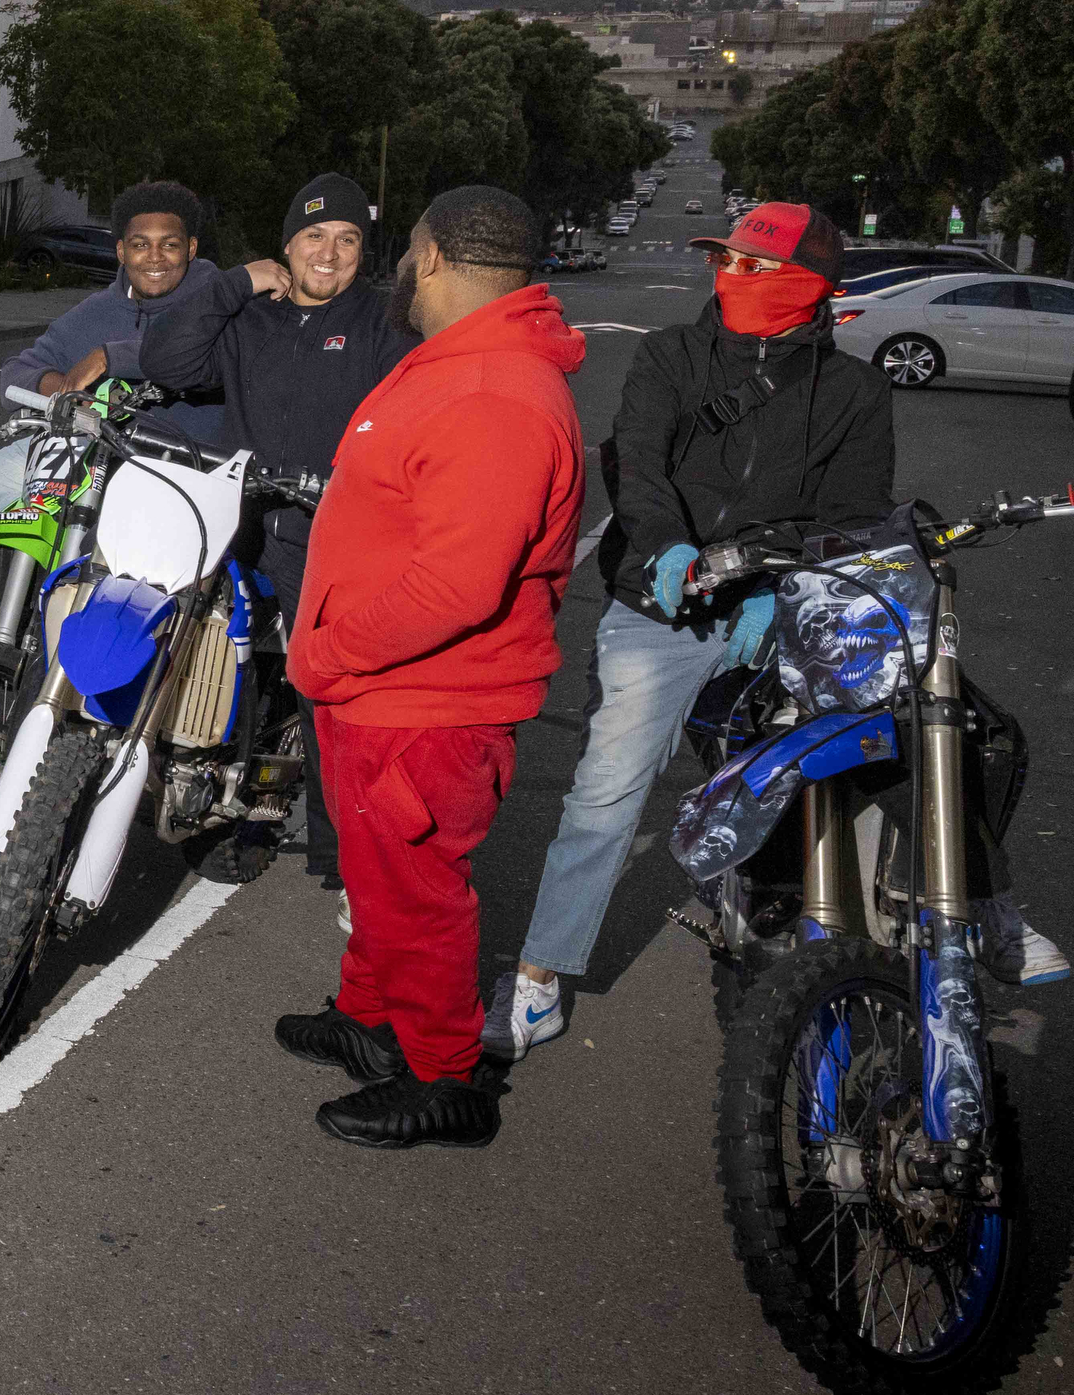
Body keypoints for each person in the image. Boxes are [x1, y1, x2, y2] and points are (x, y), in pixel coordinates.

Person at [488, 202, 1065, 1058]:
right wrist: (672, 549)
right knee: (606, 792)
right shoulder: (669, 355)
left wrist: (775, 578)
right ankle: (540, 978)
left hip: (793, 601)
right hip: (663, 602)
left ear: (810, 284)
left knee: (928, 726)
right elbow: (638, 464)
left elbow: (853, 510)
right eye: (725, 261)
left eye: (755, 266)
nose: (732, 278)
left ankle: (979, 901)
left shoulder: (857, 391)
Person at [276, 186, 586, 1151]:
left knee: (414, 892)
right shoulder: (465, 363)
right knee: (378, 880)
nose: (396, 268)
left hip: (421, 698)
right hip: (383, 691)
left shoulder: (493, 389)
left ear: (437, 258)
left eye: (405, 250)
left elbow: (456, 585)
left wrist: (325, 651)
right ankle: (372, 1019)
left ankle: (445, 1077)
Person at [141, 171, 418, 888]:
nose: (329, 253)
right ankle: (228, 814)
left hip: (323, 535)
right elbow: (166, 361)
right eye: (314, 236)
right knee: (211, 671)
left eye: (348, 239)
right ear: (287, 245)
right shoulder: (249, 316)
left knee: (320, 690)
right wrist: (234, 284)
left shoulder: (382, 326)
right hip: (233, 523)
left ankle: (337, 852)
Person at [0, 181, 224, 638]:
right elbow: (18, 370)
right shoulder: (98, 309)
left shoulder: (216, 300)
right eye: (140, 245)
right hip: (86, 451)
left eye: (169, 245)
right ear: (120, 252)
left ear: (190, 248)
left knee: (106, 582)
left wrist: (110, 356)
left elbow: (205, 357)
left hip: (172, 467)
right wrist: (65, 388)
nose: (154, 258)